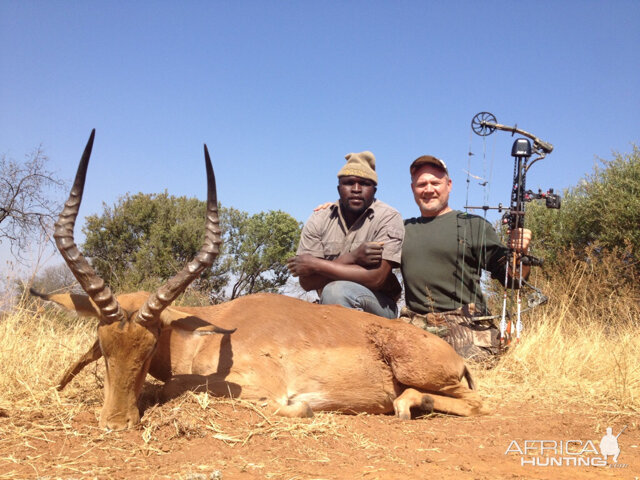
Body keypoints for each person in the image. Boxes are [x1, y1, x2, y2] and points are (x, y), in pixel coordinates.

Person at [400, 155, 532, 359]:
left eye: (435, 183)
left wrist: (520, 252)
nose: (428, 189)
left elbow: (513, 280)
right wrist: (333, 210)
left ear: (449, 185)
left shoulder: (474, 225)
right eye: (421, 184)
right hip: (415, 324)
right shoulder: (401, 229)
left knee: (465, 366)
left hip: (464, 322)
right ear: (412, 189)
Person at [287, 151, 404, 319]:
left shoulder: (388, 217)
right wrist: (353, 258)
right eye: (349, 183)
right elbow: (307, 283)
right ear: (338, 188)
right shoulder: (319, 218)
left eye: (364, 184)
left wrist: (316, 265)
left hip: (379, 305)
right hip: (330, 304)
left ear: (374, 190)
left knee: (336, 291)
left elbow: (376, 279)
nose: (356, 189)